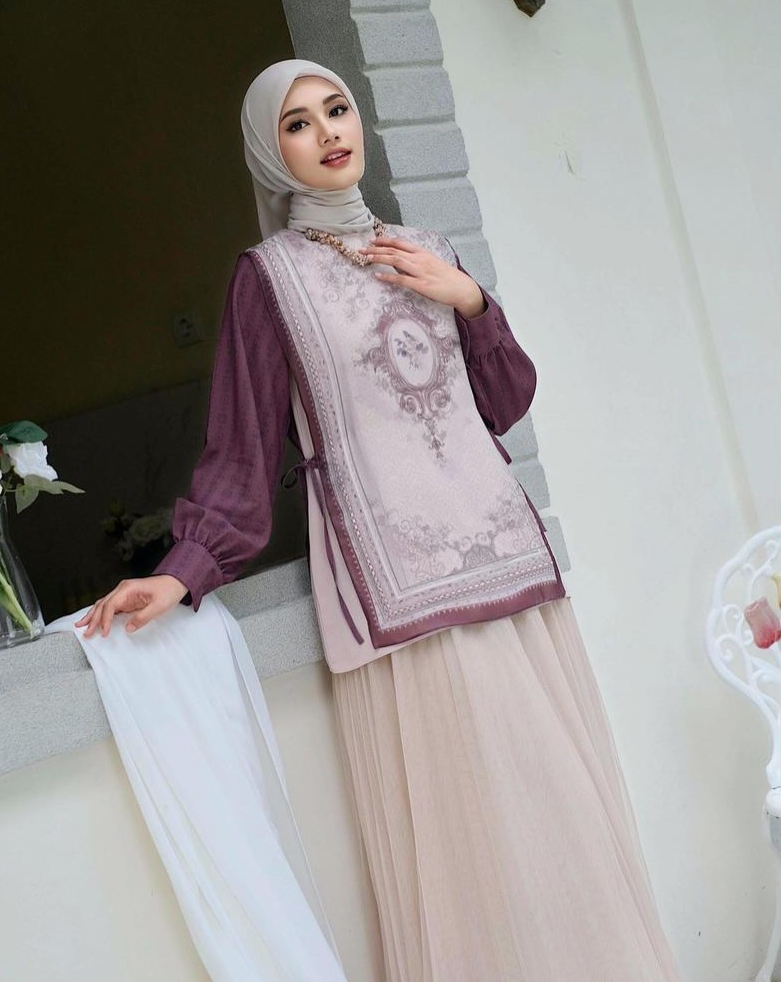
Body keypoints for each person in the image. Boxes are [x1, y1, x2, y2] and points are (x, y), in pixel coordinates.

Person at [76, 59, 683, 981]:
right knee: (485, 857)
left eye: (337, 109)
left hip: (511, 574)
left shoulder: (428, 247)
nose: (327, 132)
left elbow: (504, 400)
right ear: (270, 154)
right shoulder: (269, 281)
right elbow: (242, 449)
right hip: (405, 603)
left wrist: (467, 298)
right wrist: (183, 569)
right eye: (297, 124)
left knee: (570, 836)